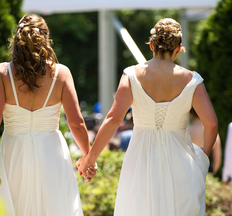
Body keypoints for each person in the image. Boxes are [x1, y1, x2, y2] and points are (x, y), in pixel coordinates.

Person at [77, 18, 218, 216]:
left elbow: (113, 119)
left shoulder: (131, 75)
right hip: (181, 161)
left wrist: (89, 158)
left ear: (151, 44)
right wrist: (203, 157)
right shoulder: (192, 80)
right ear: (178, 48)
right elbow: (211, 125)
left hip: (140, 159)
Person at [0, 14, 96, 216]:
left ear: (17, 39)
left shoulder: (3, 72)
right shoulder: (61, 74)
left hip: (14, 153)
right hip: (51, 152)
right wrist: (88, 156)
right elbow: (76, 123)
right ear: (46, 38)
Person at [188, 108, 221, 174]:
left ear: (190, 113)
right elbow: (217, 161)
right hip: (207, 174)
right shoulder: (213, 132)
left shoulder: (186, 131)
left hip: (190, 173)